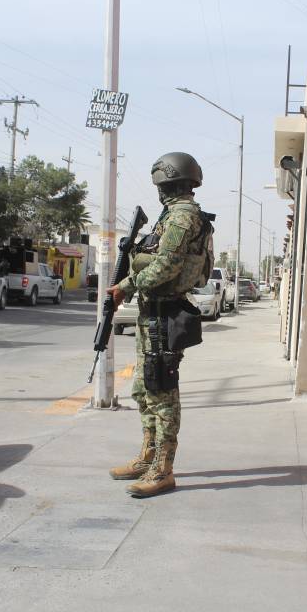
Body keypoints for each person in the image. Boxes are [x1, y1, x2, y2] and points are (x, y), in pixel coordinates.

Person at [106, 152, 213, 498]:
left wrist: (128, 285)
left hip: (165, 314)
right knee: (144, 389)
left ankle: (163, 470)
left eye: (160, 184)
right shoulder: (172, 215)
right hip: (152, 313)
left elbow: (164, 267)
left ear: (166, 182)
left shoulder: (182, 218)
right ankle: (148, 456)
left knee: (161, 389)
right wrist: (127, 286)